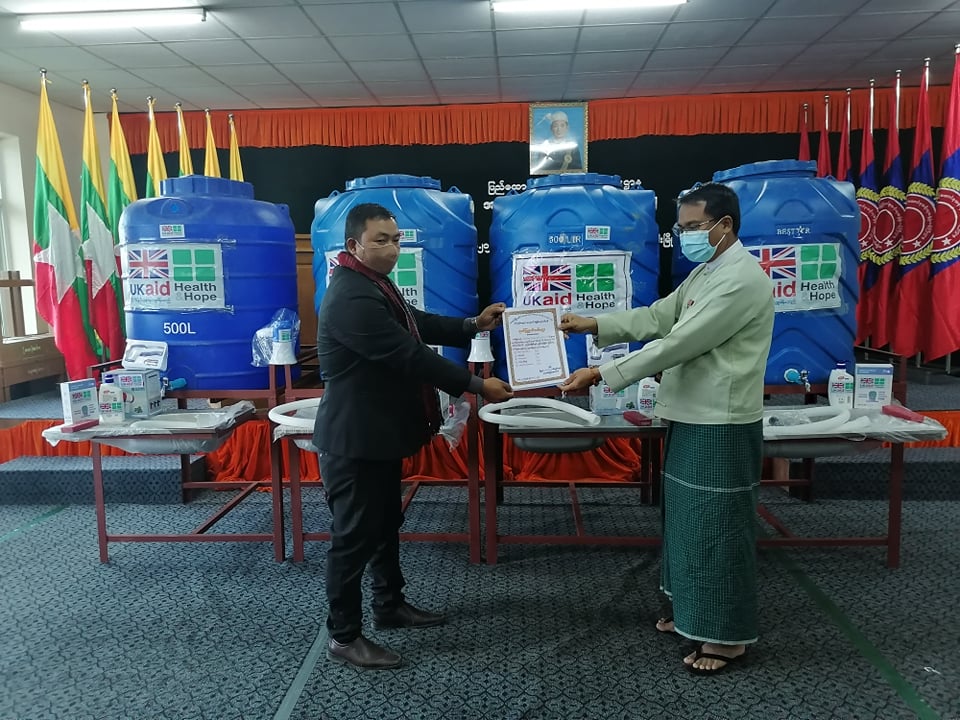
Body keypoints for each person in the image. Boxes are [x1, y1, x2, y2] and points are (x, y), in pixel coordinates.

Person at [557, 182, 774, 675]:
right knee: (687, 521)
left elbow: (679, 343)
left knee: (718, 527)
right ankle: (690, 611)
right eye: (681, 228)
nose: (685, 235)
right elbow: (660, 316)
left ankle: (725, 638)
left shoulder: (741, 279)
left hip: (720, 421)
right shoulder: (707, 272)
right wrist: (595, 325)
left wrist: (603, 373)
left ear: (725, 225)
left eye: (695, 226)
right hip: (691, 413)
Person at [313, 202, 513, 670]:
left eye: (396, 239)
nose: (392, 249)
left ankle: (389, 605)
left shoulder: (373, 283)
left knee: (385, 525)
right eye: (380, 240)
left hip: (378, 434)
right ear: (354, 245)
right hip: (354, 440)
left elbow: (414, 321)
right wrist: (477, 384)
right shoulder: (350, 295)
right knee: (353, 538)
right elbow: (410, 354)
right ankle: (344, 636)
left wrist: (472, 325)